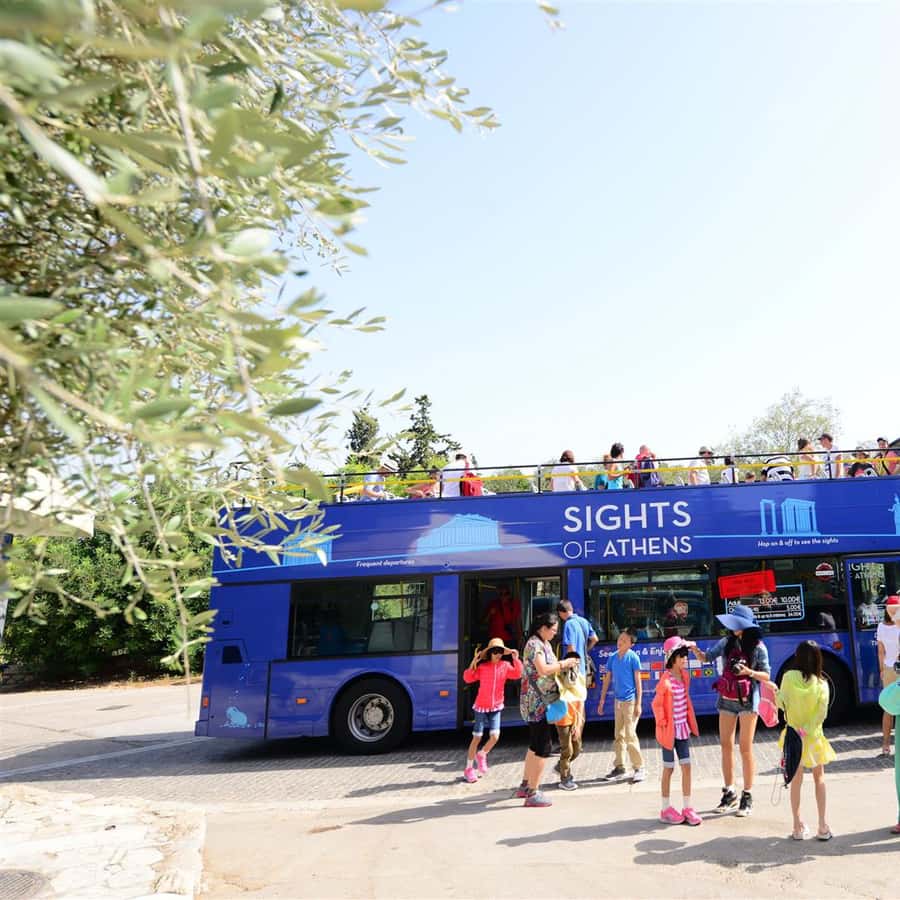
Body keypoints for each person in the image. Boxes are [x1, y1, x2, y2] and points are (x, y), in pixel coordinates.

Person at [690, 603, 771, 817]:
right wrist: (694, 650)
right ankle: (729, 792)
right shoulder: (726, 642)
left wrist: (748, 672)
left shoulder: (759, 647)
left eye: (738, 623)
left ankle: (747, 794)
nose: (734, 626)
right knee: (726, 746)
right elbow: (706, 657)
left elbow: (766, 675)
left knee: (745, 748)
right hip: (726, 699)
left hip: (748, 701)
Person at [515, 612, 579, 807]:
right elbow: (543, 669)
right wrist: (564, 663)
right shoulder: (535, 645)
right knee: (543, 747)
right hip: (537, 703)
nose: (555, 633)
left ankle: (525, 785)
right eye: (553, 630)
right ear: (543, 628)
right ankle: (533, 793)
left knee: (534, 745)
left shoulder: (543, 643)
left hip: (537, 701)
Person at [776, 640, 836, 841]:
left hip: (793, 736)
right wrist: (807, 730)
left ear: (797, 656)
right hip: (814, 738)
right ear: (819, 659)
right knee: (819, 778)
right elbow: (821, 714)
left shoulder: (788, 677)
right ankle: (822, 826)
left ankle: (797, 826)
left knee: (796, 780)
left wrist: (774, 692)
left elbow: (781, 703)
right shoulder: (822, 684)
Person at [652, 636, 701, 826]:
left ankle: (687, 807)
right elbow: (657, 704)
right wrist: (663, 722)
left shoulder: (684, 676)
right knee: (669, 768)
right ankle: (665, 809)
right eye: (681, 656)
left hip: (682, 729)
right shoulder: (665, 681)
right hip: (668, 732)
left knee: (687, 767)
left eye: (685, 656)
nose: (684, 659)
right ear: (672, 658)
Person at [461, 638, 523, 783]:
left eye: (500, 651)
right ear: (489, 653)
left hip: (496, 706)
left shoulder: (505, 666)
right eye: (495, 651)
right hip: (481, 706)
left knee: (495, 736)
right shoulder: (482, 667)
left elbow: (518, 673)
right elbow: (467, 678)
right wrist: (474, 662)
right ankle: (468, 769)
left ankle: (482, 754)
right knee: (477, 737)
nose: (498, 654)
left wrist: (516, 659)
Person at [597, 627, 645, 783]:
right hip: (617, 702)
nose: (620, 642)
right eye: (619, 639)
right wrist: (602, 700)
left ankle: (639, 768)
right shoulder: (612, 657)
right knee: (619, 736)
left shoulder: (633, 658)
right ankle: (620, 767)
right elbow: (607, 679)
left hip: (630, 701)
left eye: (624, 640)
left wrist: (639, 704)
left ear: (631, 644)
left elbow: (638, 682)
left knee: (630, 735)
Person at [555, 651, 586, 791]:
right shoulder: (558, 677)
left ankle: (561, 766)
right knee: (567, 749)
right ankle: (565, 778)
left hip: (575, 718)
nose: (576, 666)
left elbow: (581, 702)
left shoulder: (580, 679)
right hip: (562, 718)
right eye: (573, 663)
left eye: (578, 663)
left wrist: (578, 724)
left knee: (577, 749)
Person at [877, 598, 900, 755]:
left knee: (888, 708)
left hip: (888, 668)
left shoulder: (881, 626)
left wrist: (882, 669)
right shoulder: (899, 626)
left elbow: (881, 651)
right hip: (898, 667)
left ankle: (886, 744)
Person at [556, 599, 598, 677]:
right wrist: (584, 651)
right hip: (583, 668)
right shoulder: (584, 621)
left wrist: (568, 667)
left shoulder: (568, 624)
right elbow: (595, 639)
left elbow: (571, 648)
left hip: (574, 670)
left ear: (561, 612)